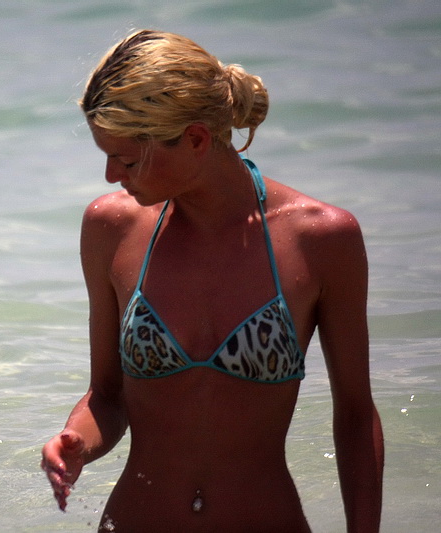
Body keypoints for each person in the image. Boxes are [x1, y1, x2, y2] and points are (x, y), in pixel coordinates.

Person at [40, 30, 383, 532]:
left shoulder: (321, 238)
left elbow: (354, 417)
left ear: (197, 139)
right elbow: (107, 397)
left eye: (128, 160)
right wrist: (76, 442)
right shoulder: (111, 227)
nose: (111, 175)